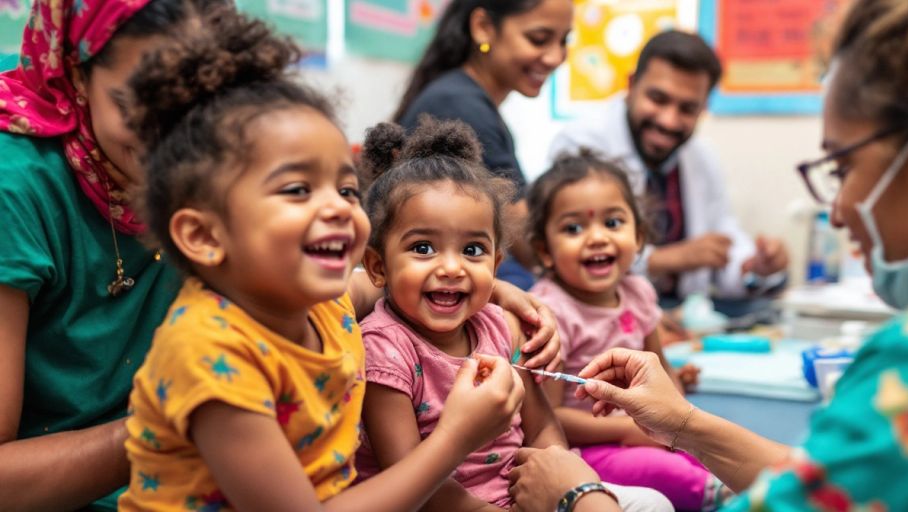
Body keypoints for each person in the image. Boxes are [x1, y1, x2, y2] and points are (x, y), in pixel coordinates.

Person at [0, 2, 560, 509]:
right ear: (77, 74)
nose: (182, 138)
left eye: (345, 189)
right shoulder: (215, 352)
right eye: (149, 105)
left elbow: (361, 286)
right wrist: (455, 440)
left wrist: (484, 295)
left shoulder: (311, 298)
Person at [510, 0, 908, 509]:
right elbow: (824, 483)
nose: (838, 211)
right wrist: (683, 425)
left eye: (842, 169)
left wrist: (575, 498)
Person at [354, 119, 671, 512]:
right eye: (423, 248)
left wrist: (560, 477)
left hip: (526, 496)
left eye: (472, 251)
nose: (453, 267)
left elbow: (540, 426)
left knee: (653, 504)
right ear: (378, 266)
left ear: (496, 263)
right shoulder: (384, 349)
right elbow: (409, 478)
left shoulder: (501, 327)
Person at [528, 150, 728, 510]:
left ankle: (728, 484)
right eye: (574, 228)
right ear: (545, 250)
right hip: (589, 449)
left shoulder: (638, 292)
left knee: (717, 445)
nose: (597, 238)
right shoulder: (551, 312)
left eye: (613, 222)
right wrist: (628, 431)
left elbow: (662, 368)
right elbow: (548, 417)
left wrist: (678, 421)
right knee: (664, 470)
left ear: (638, 238)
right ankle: (720, 496)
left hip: (648, 430)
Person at [548, 30, 789, 309]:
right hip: (605, 316)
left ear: (703, 109)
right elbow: (570, 250)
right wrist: (672, 258)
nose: (669, 121)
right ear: (631, 84)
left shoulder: (701, 157)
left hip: (682, 315)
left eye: (687, 108)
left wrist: (756, 267)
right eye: (658, 99)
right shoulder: (582, 144)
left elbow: (724, 241)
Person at [393, 0, 574, 290]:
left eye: (564, 40)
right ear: (483, 28)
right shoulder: (462, 106)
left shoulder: (463, 96)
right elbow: (530, 246)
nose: (555, 57)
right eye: (538, 39)